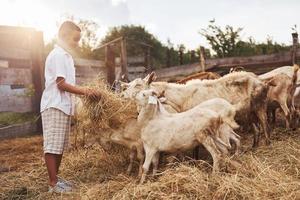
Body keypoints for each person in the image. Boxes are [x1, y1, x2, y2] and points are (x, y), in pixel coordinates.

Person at [40, 21, 99, 193]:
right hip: (55, 104)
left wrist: (82, 91)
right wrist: (85, 91)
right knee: (52, 145)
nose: (77, 43)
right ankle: (52, 183)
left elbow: (67, 83)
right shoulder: (58, 55)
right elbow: (61, 84)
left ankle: (55, 181)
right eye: (75, 39)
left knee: (59, 145)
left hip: (63, 106)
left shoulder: (65, 55)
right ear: (64, 36)